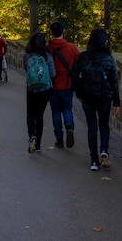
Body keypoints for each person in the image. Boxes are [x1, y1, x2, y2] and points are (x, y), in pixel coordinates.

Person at [75, 28, 120, 171]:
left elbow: (75, 76)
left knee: (92, 126)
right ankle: (104, 151)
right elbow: (114, 81)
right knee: (104, 124)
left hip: (88, 96)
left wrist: (79, 93)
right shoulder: (108, 58)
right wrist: (116, 101)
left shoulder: (83, 57)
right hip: (104, 96)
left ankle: (94, 160)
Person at [47, 21, 80, 149]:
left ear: (51, 32)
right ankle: (69, 127)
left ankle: (59, 139)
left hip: (52, 85)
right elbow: (79, 62)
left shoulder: (48, 48)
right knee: (67, 109)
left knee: (55, 112)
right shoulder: (72, 48)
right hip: (67, 84)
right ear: (63, 31)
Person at [23, 32, 56, 154]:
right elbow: (53, 74)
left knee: (30, 114)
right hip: (45, 89)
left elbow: (27, 70)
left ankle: (32, 136)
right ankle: (38, 146)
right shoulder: (47, 56)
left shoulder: (27, 56)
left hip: (31, 89)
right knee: (39, 115)